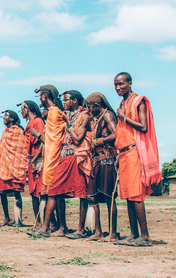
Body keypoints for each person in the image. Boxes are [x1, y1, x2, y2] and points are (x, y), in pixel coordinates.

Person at [113, 72, 162, 247]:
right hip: (124, 154)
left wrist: (123, 116)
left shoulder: (138, 100)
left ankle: (144, 236)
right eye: (116, 85)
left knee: (136, 195)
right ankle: (134, 234)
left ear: (130, 83)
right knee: (127, 195)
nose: (118, 88)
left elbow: (143, 126)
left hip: (134, 153)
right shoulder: (123, 103)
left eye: (121, 84)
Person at [84, 92, 119, 242]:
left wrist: (99, 141)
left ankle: (113, 233)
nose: (89, 110)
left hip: (107, 160)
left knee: (108, 196)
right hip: (97, 160)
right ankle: (98, 232)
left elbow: (116, 134)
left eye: (90, 107)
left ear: (97, 105)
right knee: (92, 196)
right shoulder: (97, 119)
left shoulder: (107, 115)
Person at [35, 85, 68, 236]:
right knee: (54, 193)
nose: (40, 99)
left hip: (54, 156)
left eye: (40, 95)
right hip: (50, 155)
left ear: (45, 95)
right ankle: (57, 226)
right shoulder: (52, 112)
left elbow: (54, 138)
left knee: (54, 192)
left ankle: (50, 227)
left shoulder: (54, 113)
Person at [61, 90, 92, 239]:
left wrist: (68, 123)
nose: (64, 102)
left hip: (78, 155)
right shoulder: (66, 115)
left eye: (66, 99)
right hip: (64, 155)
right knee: (57, 190)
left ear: (75, 101)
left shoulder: (84, 116)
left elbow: (78, 139)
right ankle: (62, 227)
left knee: (81, 193)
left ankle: (81, 229)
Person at [0, 110, 28, 227]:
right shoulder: (4, 132)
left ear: (12, 118)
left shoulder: (19, 132)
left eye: (6, 116)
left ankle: (18, 220)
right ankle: (7, 218)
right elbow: (2, 151)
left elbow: (22, 149)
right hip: (5, 167)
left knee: (17, 193)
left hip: (16, 165)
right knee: (2, 193)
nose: (4, 118)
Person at [19, 101, 45, 229]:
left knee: (41, 191)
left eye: (22, 109)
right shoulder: (29, 124)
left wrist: (34, 159)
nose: (21, 112)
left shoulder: (38, 121)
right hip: (31, 160)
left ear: (28, 109)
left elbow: (42, 142)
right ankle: (38, 222)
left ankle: (47, 223)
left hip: (39, 159)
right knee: (33, 192)